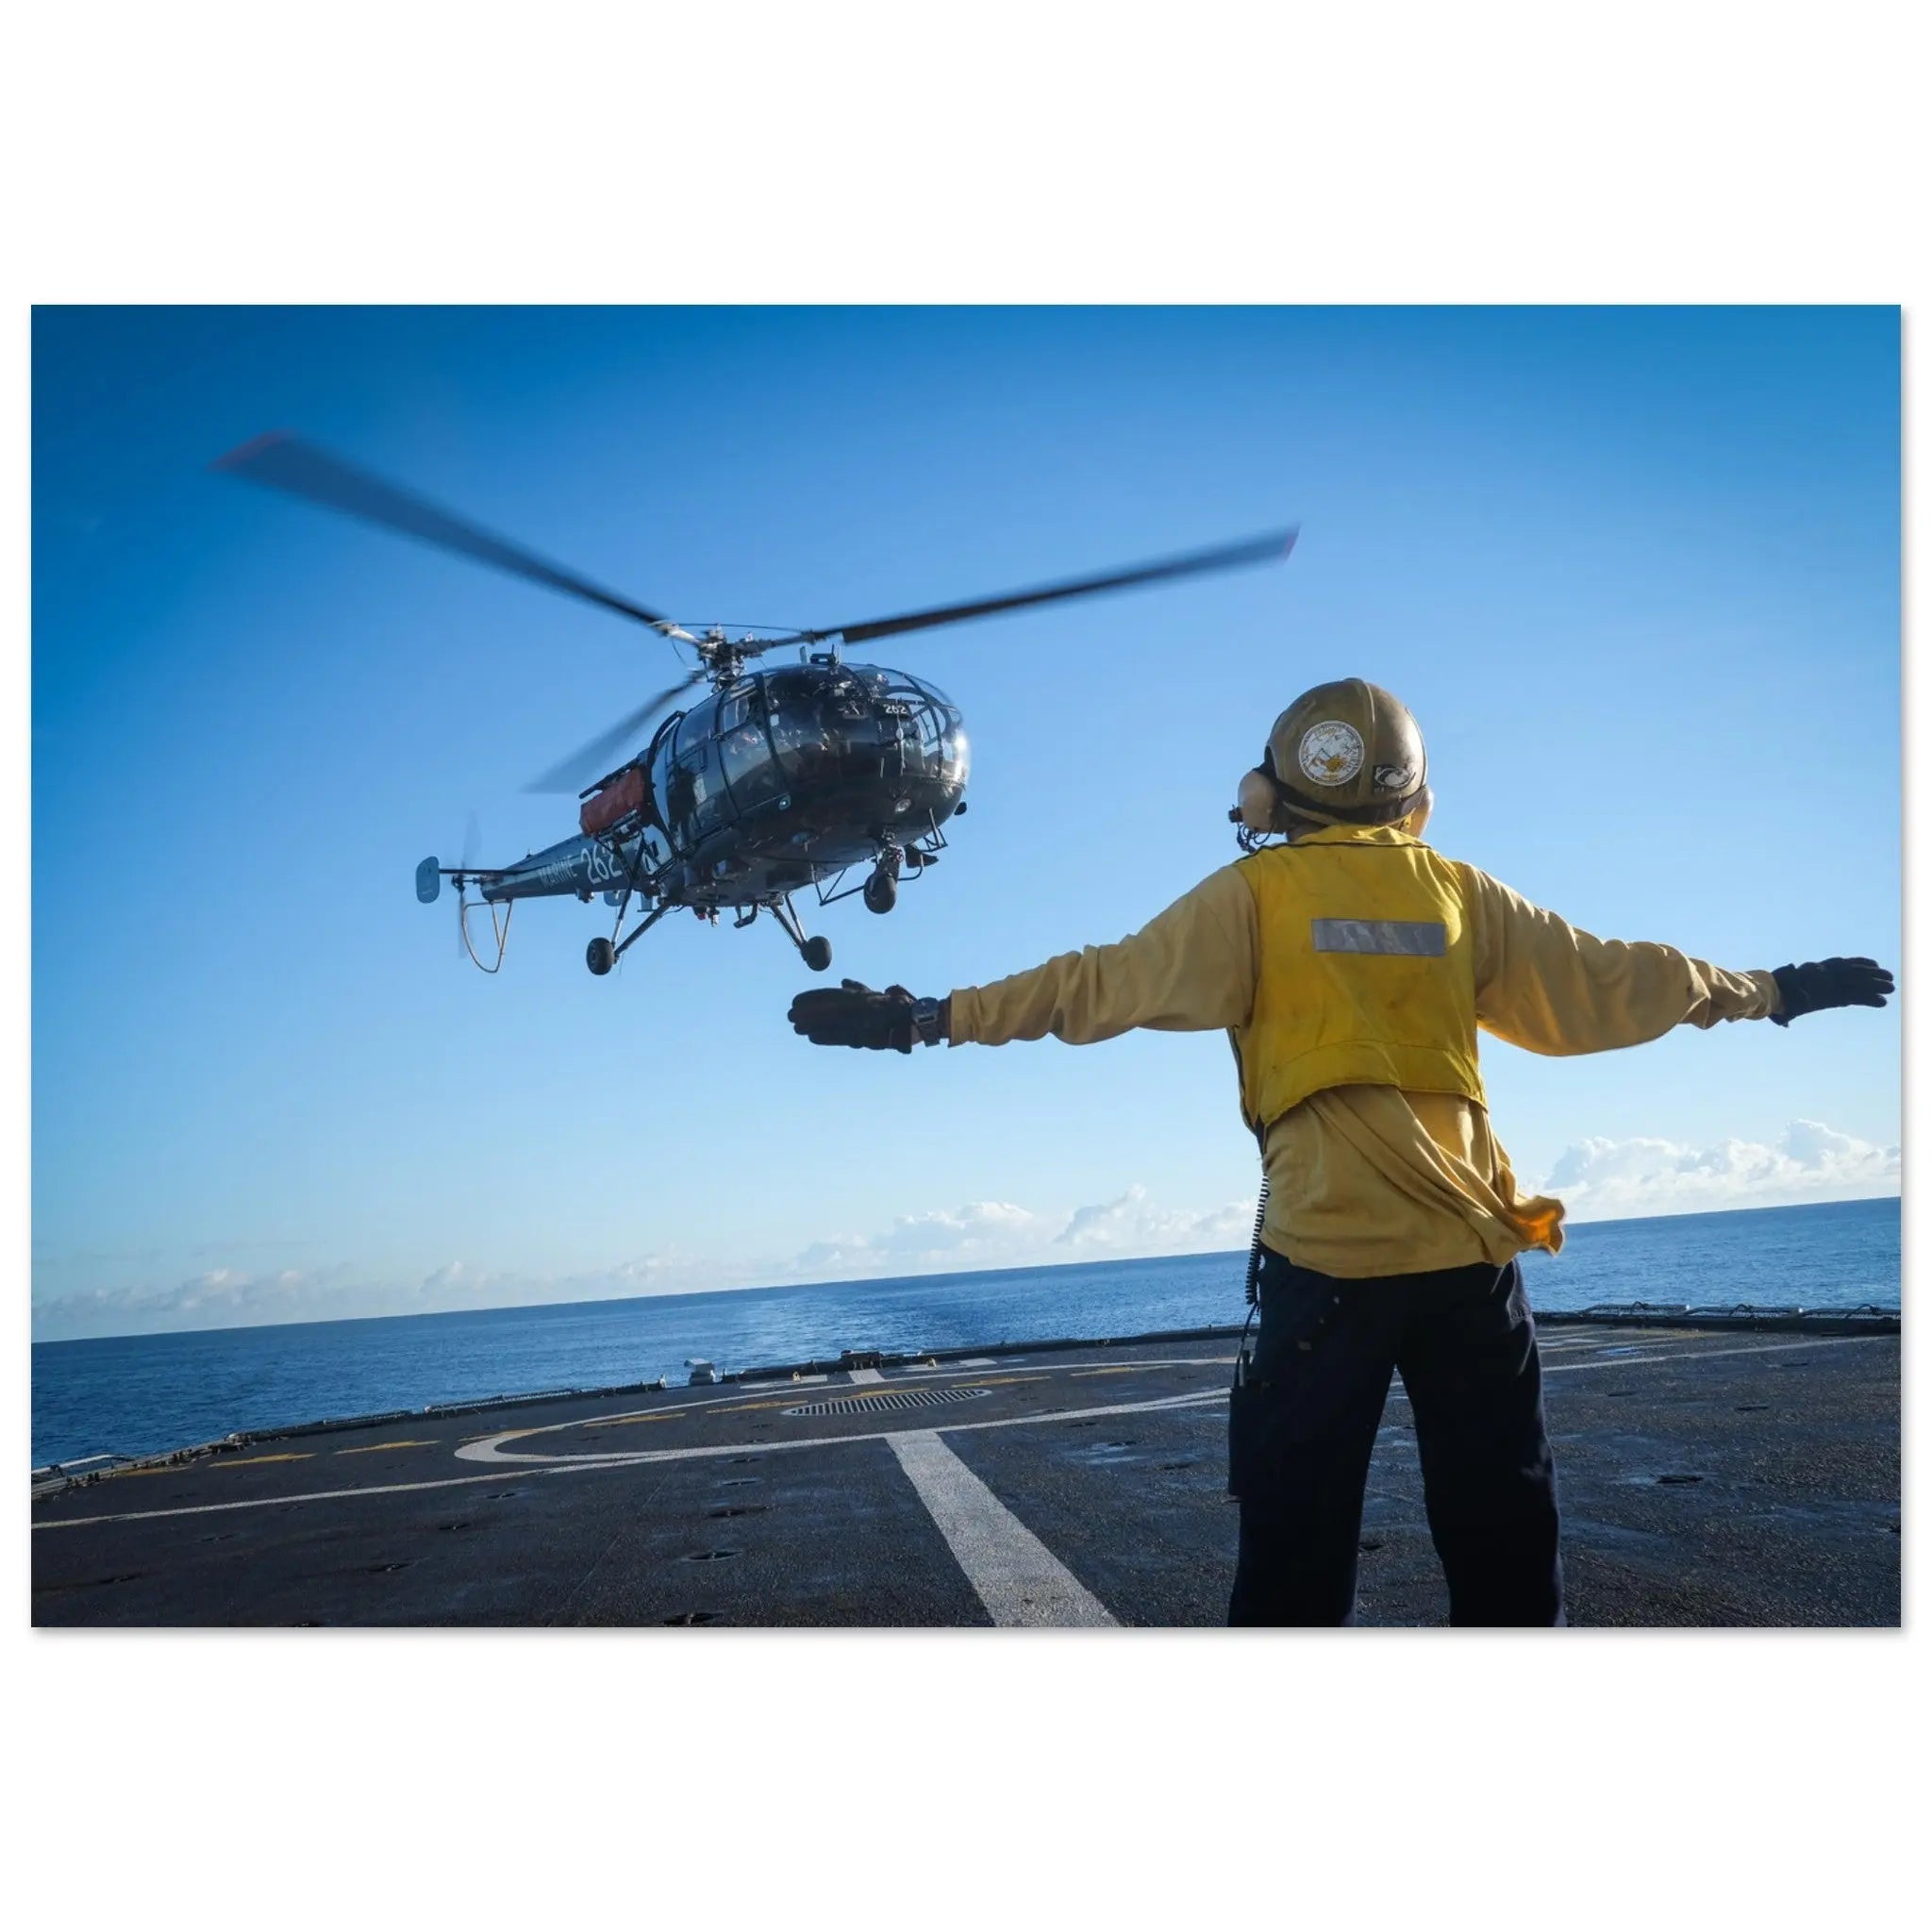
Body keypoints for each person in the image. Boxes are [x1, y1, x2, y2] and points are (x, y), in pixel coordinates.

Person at [786, 679, 1893, 1627]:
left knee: (1293, 1549)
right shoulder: (1456, 893)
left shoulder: (1254, 894)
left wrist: (921, 1015)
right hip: (1471, 1260)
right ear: (1409, 795)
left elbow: (1090, 986)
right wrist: (1774, 991)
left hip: (1322, 1268)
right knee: (1506, 1540)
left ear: (1270, 794)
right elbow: (1617, 979)